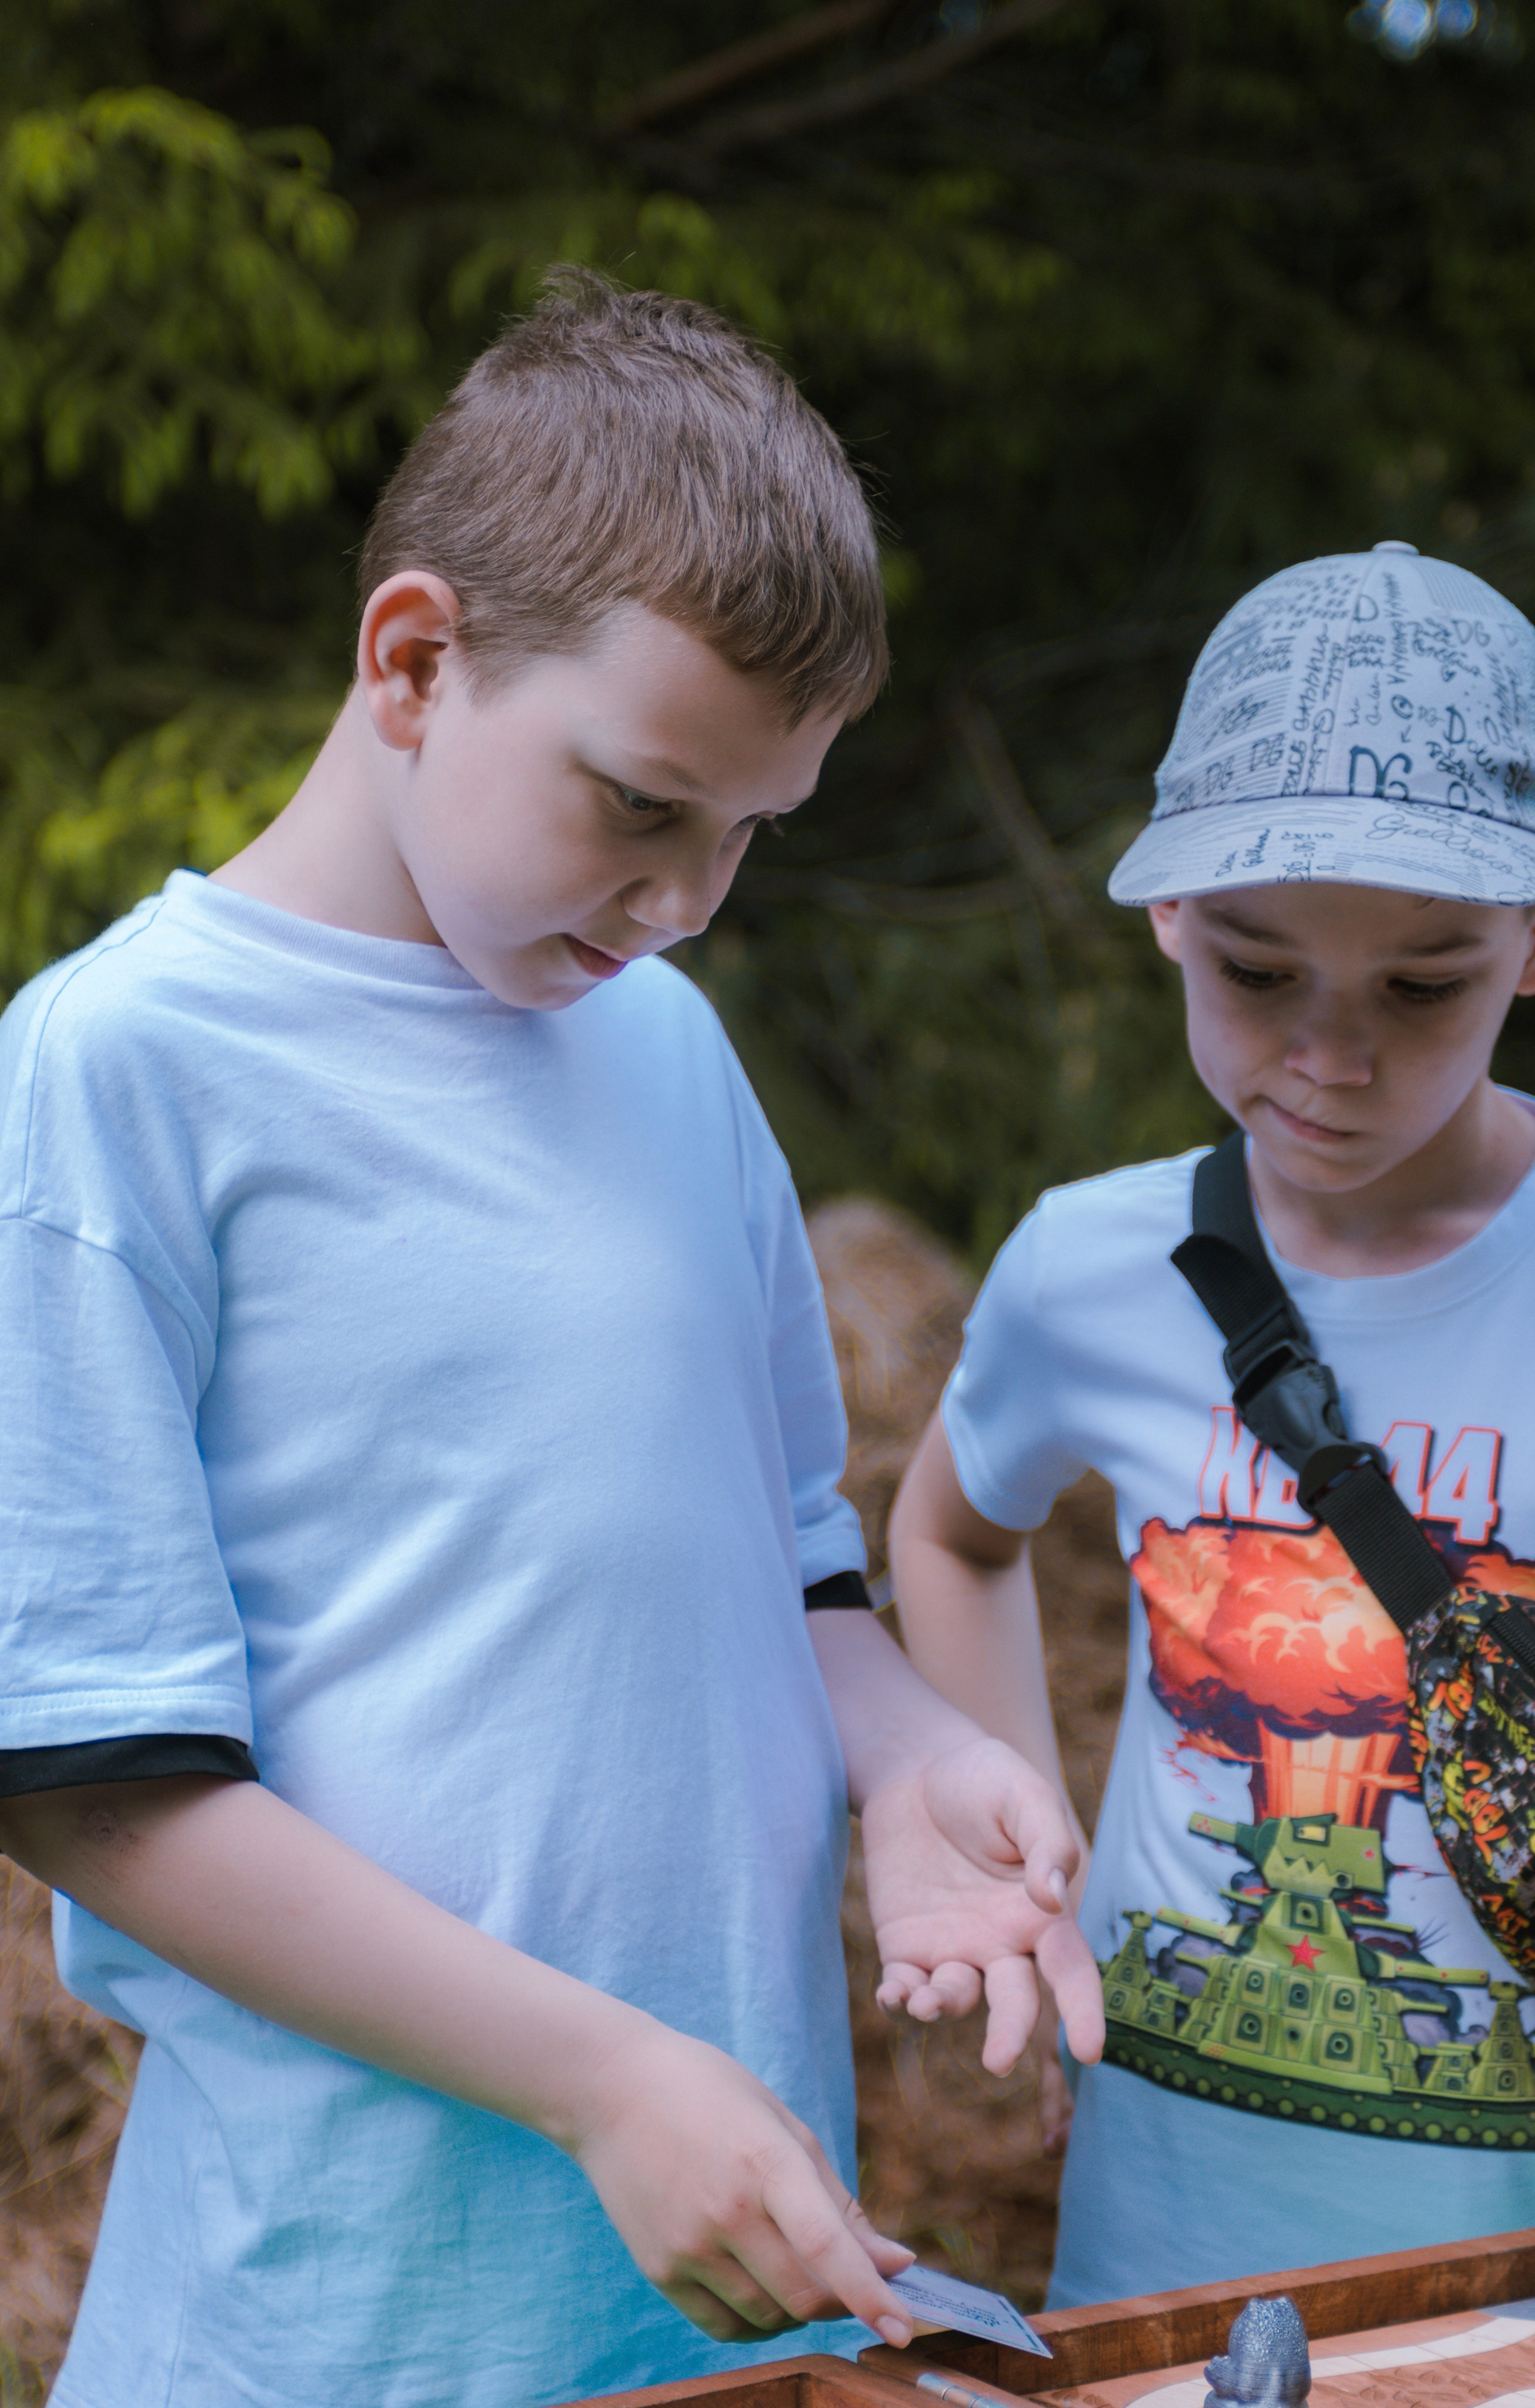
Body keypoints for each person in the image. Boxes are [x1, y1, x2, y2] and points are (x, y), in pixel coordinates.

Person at [0, 272, 1103, 2408]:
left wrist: (915, 1761)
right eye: (639, 805)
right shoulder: (112, 1079)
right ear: (414, 659)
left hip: (705, 2327)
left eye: (750, 838)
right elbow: (92, 1787)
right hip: (333, 2333)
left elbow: (795, 1567)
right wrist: (607, 2083)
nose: (690, 902)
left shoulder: (672, 1053)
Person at [890, 541, 1535, 2305]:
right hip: (1166, 2231)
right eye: (1260, 974)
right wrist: (1018, 1868)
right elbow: (949, 1529)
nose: (1331, 1057)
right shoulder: (1087, 1268)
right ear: (1168, 923)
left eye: (1422, 983)